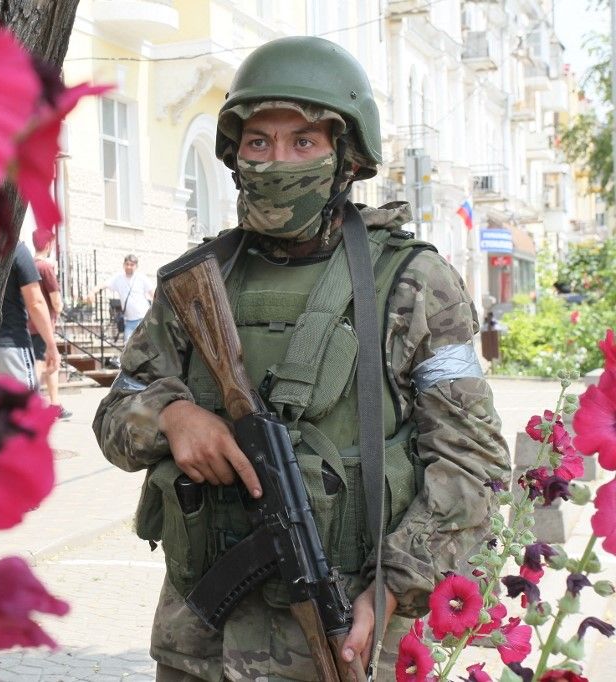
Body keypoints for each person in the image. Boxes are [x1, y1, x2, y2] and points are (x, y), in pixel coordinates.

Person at [92, 36, 510, 682]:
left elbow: (475, 463)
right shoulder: (196, 283)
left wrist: (393, 585)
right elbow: (116, 416)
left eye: (303, 142)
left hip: (346, 632)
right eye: (258, 142)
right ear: (234, 154)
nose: (276, 161)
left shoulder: (411, 283)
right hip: (199, 647)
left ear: (347, 157)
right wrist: (172, 416)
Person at [0, 241, 59, 391]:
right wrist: (51, 345)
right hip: (11, 343)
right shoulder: (17, 249)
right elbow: (35, 302)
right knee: (26, 408)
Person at [29, 238, 72, 419]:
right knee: (43, 364)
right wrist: (60, 307)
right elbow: (55, 299)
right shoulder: (46, 268)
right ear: (48, 245)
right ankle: (31, 402)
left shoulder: (27, 264)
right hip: (42, 324)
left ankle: (55, 404)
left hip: (28, 322)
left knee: (48, 364)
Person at [89, 254, 154, 343]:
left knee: (145, 345)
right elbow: (104, 284)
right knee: (127, 347)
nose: (129, 267)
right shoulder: (118, 278)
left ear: (136, 266)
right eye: (127, 264)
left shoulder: (141, 278)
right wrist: (92, 292)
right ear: (123, 265)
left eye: (132, 265)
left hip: (143, 319)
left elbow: (153, 293)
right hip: (129, 321)